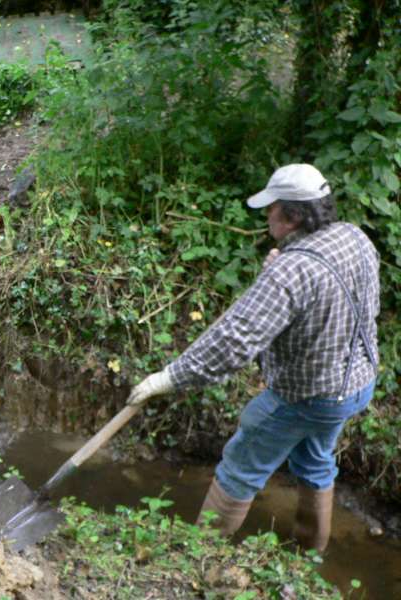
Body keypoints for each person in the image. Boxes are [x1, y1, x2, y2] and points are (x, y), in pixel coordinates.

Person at [126, 164, 379, 554]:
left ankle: (197, 557)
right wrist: (282, 273)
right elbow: (341, 303)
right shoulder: (353, 238)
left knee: (239, 468)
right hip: (355, 386)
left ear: (293, 215)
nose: (266, 216)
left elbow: (233, 343)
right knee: (315, 460)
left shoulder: (291, 272)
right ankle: (310, 555)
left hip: (307, 396)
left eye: (272, 208)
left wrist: (170, 378)